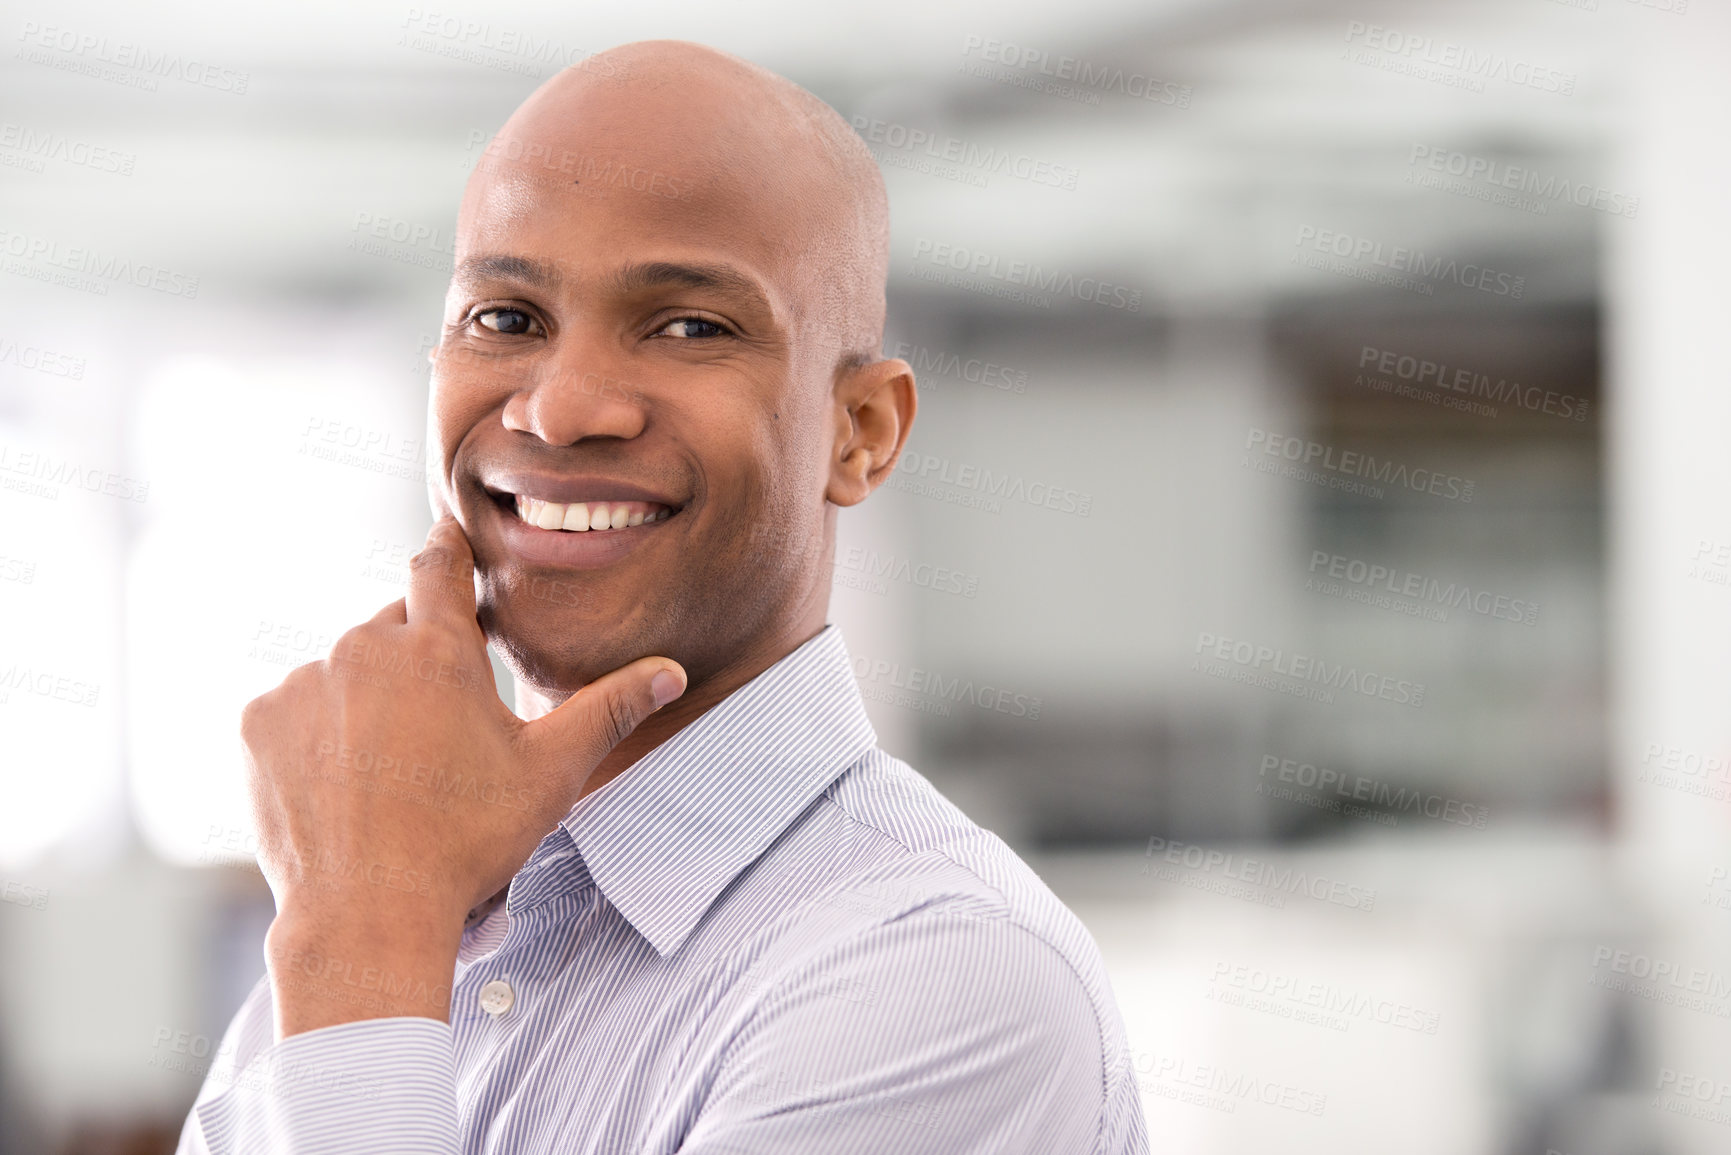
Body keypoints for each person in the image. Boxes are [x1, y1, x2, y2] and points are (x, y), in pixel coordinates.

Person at [175, 38, 1149, 1154]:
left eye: (692, 326)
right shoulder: (396, 897)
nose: (563, 409)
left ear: (860, 433)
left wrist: (359, 941)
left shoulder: (940, 973)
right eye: (505, 319)